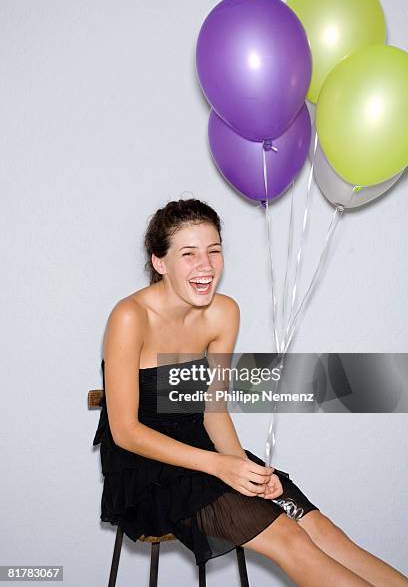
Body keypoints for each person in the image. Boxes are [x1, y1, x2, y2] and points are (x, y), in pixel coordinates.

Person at [93, 198, 407, 586]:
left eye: (214, 251)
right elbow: (125, 432)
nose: (206, 266)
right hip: (150, 469)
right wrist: (223, 467)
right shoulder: (130, 316)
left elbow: (213, 410)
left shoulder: (223, 312)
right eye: (189, 254)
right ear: (160, 262)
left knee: (323, 533)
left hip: (209, 453)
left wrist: (245, 472)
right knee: (291, 540)